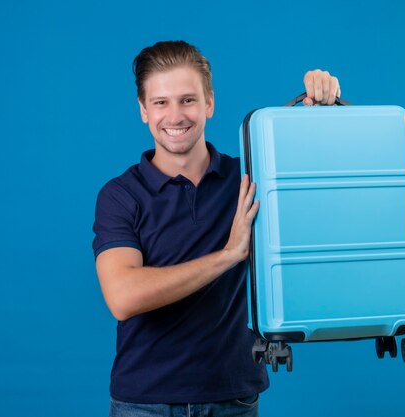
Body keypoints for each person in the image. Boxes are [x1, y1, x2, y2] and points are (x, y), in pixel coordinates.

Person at [92, 40, 341, 416]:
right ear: (143, 110)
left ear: (209, 102)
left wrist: (321, 109)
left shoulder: (250, 178)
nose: (175, 116)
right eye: (161, 103)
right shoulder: (121, 195)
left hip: (234, 399)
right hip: (144, 404)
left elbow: (322, 179)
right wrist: (228, 255)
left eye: (188, 100)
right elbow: (123, 296)